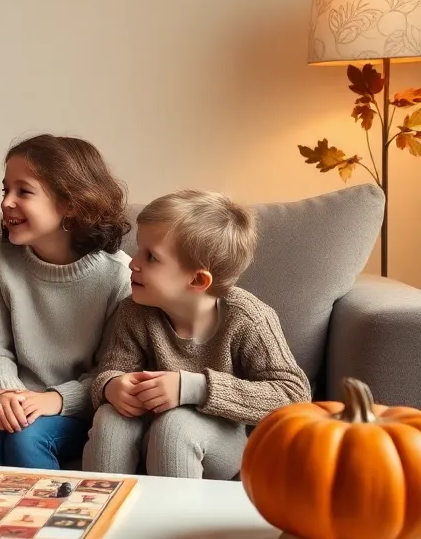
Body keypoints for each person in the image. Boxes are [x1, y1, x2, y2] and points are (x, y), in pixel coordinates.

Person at [83, 190, 311, 478]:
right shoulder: (135, 311)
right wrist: (111, 385)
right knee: (110, 419)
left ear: (198, 279)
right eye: (139, 250)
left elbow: (294, 396)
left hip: (221, 442)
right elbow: (112, 368)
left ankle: (174, 509)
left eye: (151, 257)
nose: (133, 262)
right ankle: (100, 505)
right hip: (148, 432)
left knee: (175, 426)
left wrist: (194, 388)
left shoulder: (248, 318)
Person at [0, 134, 133, 470]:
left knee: (27, 436)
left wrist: (55, 400)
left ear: (71, 204)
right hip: (15, 398)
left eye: (24, 192)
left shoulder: (118, 275)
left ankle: (45, 505)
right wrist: (3, 393)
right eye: (5, 190)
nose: (6, 202)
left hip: (78, 409)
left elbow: (111, 372)